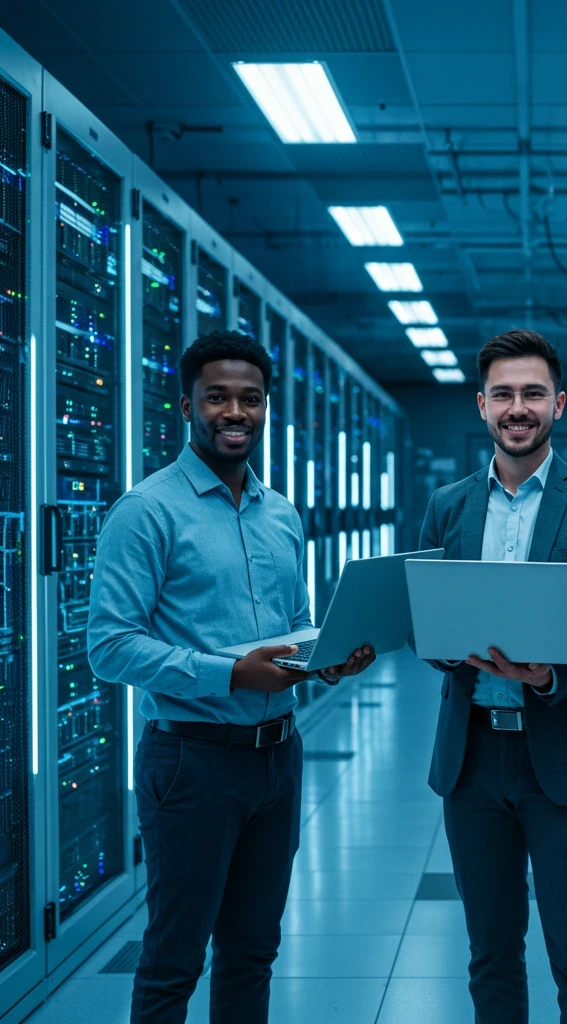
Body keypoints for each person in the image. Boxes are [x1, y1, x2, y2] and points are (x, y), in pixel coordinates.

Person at [87, 330, 375, 1024]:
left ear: (266, 407)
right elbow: (109, 646)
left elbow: (299, 625)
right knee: (173, 960)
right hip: (191, 762)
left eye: (249, 398)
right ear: (185, 405)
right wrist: (231, 675)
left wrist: (327, 662)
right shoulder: (146, 511)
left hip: (278, 759)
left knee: (252, 952)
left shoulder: (281, 514)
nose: (235, 411)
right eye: (217, 397)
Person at [416, 329, 567, 1024]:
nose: (519, 407)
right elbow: (429, 622)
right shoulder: (448, 505)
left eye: (533, 394)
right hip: (474, 758)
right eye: (505, 394)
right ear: (482, 405)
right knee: (489, 952)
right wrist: (449, 647)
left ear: (559, 404)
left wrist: (555, 672)